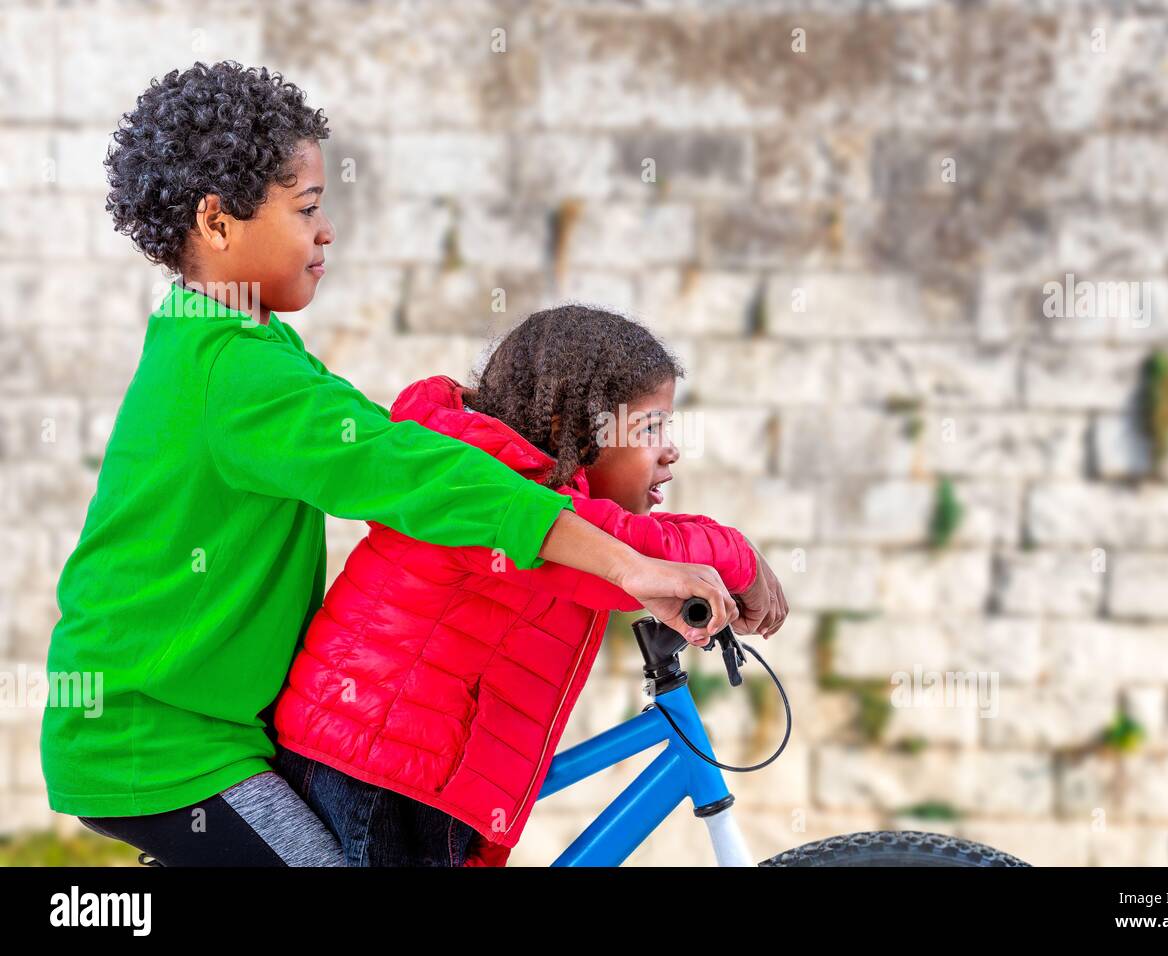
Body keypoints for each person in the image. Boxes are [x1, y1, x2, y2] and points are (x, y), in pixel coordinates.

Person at [43, 62, 742, 867]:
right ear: (217, 221)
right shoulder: (238, 373)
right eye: (306, 208)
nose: (327, 230)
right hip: (160, 745)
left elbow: (399, 456)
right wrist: (630, 566)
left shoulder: (233, 338)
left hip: (194, 723)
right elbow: (414, 474)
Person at [273, 305, 788, 866]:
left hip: (402, 768)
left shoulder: (552, 504)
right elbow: (635, 551)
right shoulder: (491, 479)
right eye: (649, 428)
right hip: (377, 771)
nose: (671, 449)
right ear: (574, 431)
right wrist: (739, 557)